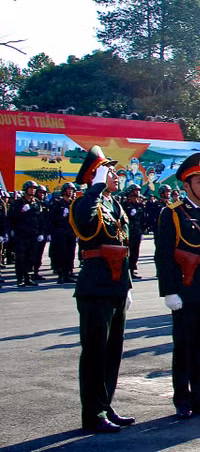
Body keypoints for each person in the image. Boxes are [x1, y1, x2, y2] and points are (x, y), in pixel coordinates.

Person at [154, 152, 200, 418]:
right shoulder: (173, 214)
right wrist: (169, 291)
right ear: (186, 185)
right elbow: (163, 255)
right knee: (185, 346)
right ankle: (182, 399)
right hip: (186, 290)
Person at [70, 146, 135, 433]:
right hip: (95, 286)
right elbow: (84, 224)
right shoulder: (85, 202)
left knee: (113, 351)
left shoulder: (114, 205)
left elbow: (125, 246)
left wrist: (128, 286)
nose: (115, 174)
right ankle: (92, 413)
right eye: (108, 170)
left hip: (117, 285)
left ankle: (105, 404)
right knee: (95, 351)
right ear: (95, 174)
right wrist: (93, 188)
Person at [8, 181, 43, 287]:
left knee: (31, 257)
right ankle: (20, 279)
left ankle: (28, 278)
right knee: (21, 258)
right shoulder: (17, 203)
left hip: (33, 234)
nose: (33, 190)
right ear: (25, 189)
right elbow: (11, 218)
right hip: (21, 235)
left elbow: (41, 218)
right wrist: (21, 211)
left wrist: (41, 232)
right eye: (31, 188)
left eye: (34, 188)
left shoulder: (36, 202)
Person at [49, 183, 79, 284]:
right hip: (60, 233)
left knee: (70, 254)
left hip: (71, 232)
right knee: (61, 254)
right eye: (68, 190)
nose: (70, 192)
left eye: (72, 190)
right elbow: (51, 219)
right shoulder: (57, 203)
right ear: (64, 191)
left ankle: (68, 273)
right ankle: (61, 275)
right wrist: (62, 215)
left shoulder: (73, 204)